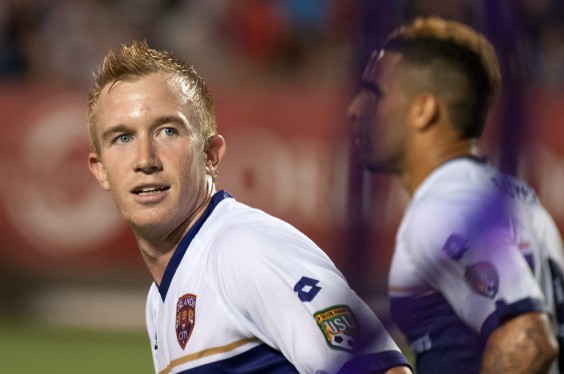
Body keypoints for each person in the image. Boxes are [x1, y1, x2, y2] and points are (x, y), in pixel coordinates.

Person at [86, 40, 412, 374]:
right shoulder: (160, 300)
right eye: (122, 138)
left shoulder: (244, 249)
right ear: (100, 169)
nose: (145, 159)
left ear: (210, 155)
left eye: (168, 131)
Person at [348, 17, 564, 373]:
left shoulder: (445, 208)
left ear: (423, 109)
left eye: (373, 93)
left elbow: (528, 341)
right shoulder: (515, 198)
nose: (354, 108)